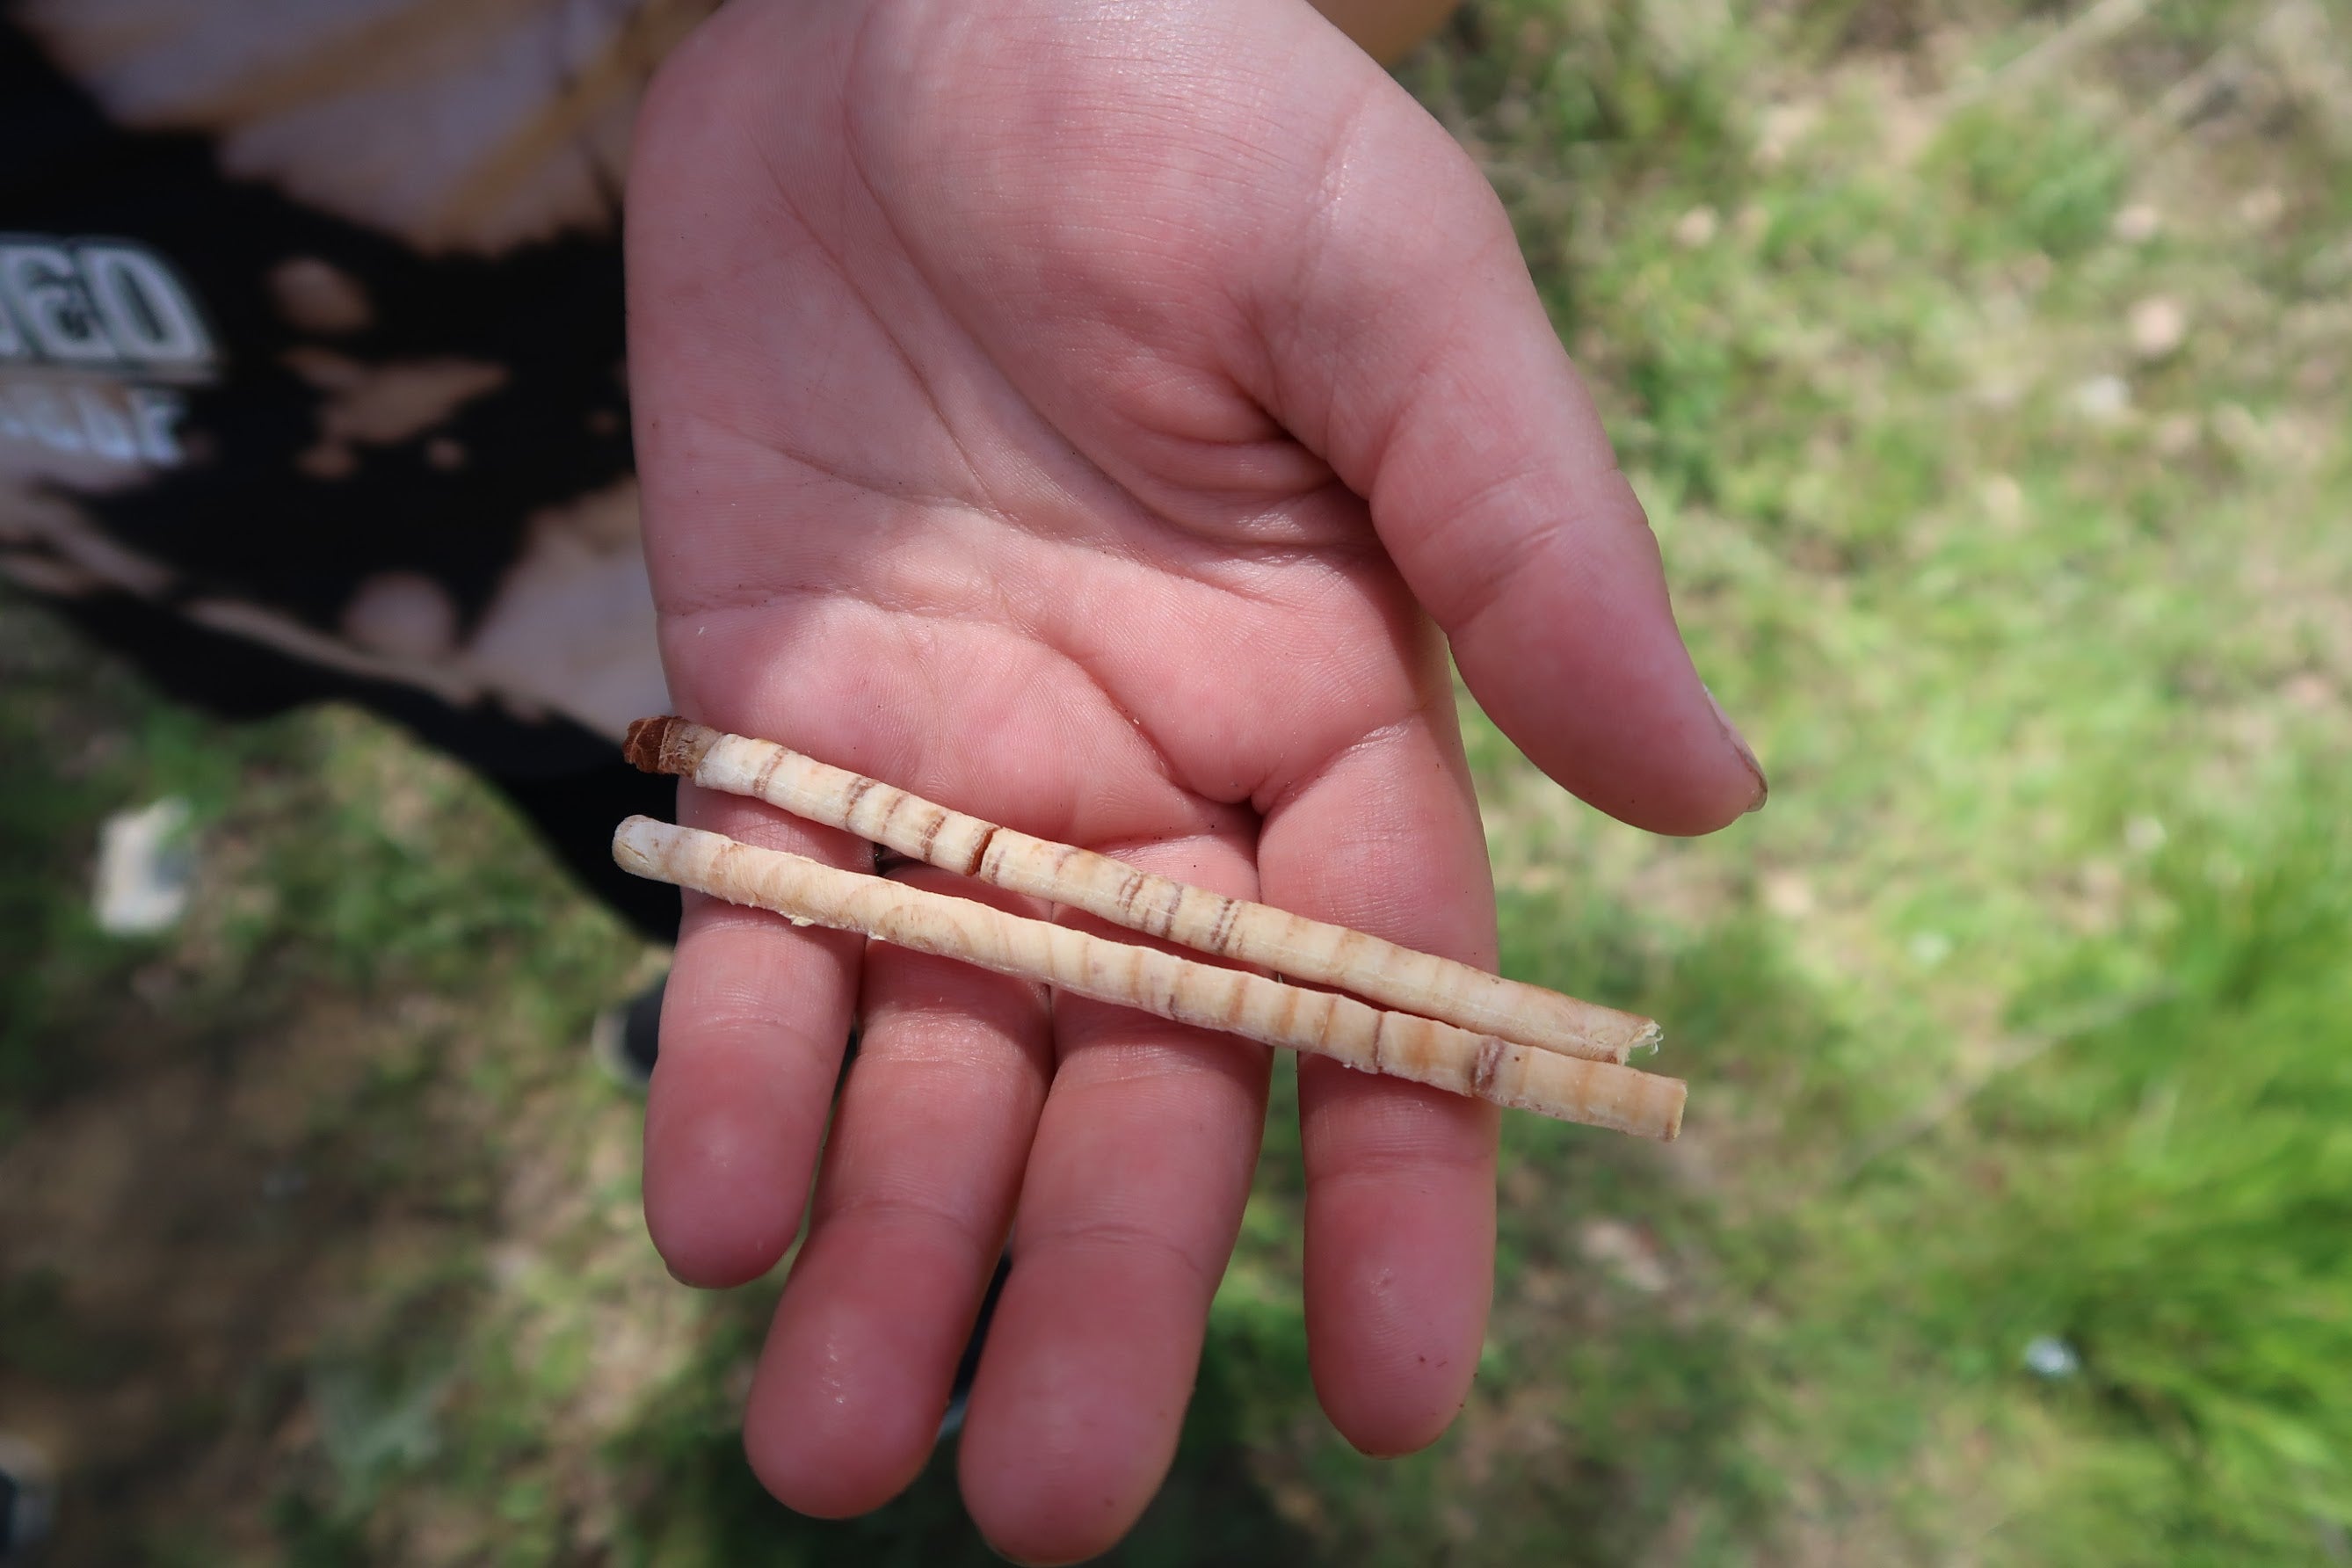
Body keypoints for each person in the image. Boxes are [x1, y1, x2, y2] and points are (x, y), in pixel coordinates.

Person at [3, 1, 1765, 1562]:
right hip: (274, 569)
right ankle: (715, 991)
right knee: (639, 840)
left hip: (776, 464)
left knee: (768, 876)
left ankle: (884, 1153)